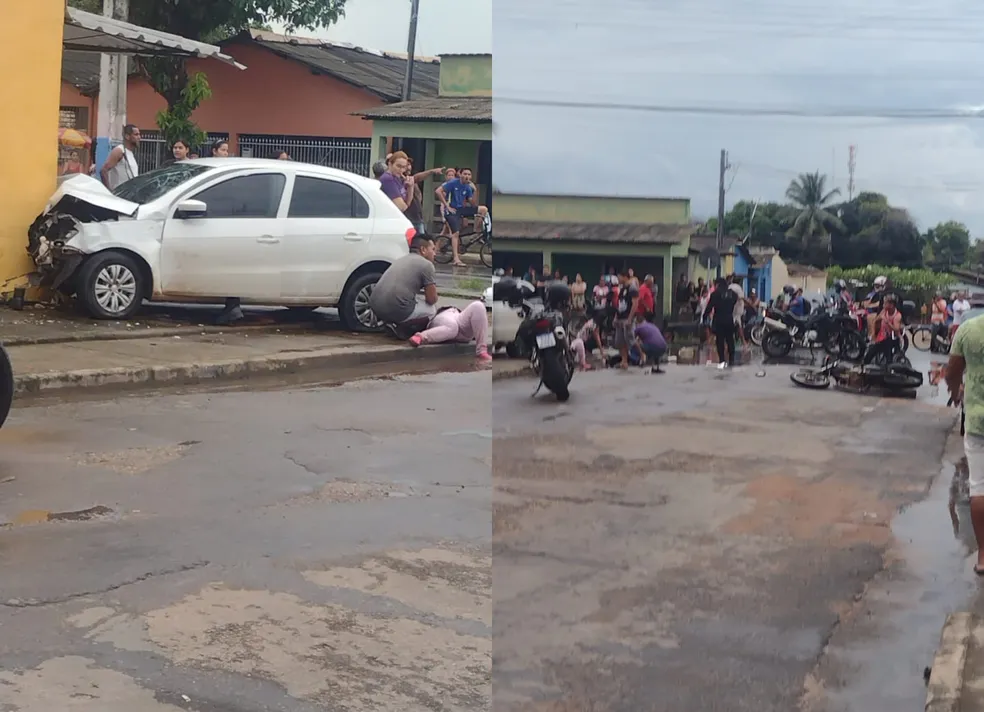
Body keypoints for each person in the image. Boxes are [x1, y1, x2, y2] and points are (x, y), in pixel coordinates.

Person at [945, 304, 984, 574]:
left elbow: (952, 372)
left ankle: (983, 556)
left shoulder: (968, 329)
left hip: (978, 421)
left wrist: (956, 391)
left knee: (979, 487)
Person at [369, 234, 439, 332]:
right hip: (397, 309)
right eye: (433, 249)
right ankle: (403, 330)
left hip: (375, 307)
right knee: (432, 310)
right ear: (423, 249)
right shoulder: (427, 265)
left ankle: (391, 323)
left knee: (413, 300)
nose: (434, 254)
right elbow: (431, 299)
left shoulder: (400, 259)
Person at [435, 167, 487, 267]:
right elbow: (438, 191)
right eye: (465, 174)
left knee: (483, 209)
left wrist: (474, 190)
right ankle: (455, 258)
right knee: (455, 233)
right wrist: (446, 206)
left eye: (469, 175)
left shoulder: (468, 187)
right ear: (460, 175)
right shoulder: (453, 183)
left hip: (461, 210)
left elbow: (473, 204)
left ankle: (477, 231)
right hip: (451, 210)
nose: (467, 176)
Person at [410, 302, 491, 363]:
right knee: (453, 327)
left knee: (478, 305)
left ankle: (482, 351)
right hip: (443, 318)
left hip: (458, 321)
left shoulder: (462, 318)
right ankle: (421, 336)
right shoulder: (444, 314)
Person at [705, 277, 740, 368]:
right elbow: (735, 301)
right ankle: (731, 359)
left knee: (720, 340)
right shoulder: (733, 294)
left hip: (719, 319)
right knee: (730, 340)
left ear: (717, 284)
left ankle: (722, 360)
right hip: (729, 319)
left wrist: (704, 316)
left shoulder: (715, 294)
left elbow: (709, 307)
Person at [863, 295, 903, 365]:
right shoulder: (884, 311)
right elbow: (875, 321)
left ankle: (889, 368)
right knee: (870, 353)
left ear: (891, 305)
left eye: (885, 303)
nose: (883, 305)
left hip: (891, 339)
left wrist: (887, 322)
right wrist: (873, 334)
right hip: (882, 337)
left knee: (888, 350)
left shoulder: (897, 316)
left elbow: (896, 329)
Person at [613, 270, 640, 369]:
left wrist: (630, 318)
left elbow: (635, 304)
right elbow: (619, 304)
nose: (618, 279)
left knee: (630, 339)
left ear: (625, 277)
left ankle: (642, 355)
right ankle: (624, 361)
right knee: (620, 341)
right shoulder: (622, 288)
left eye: (619, 277)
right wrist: (616, 317)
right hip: (620, 317)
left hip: (627, 318)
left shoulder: (632, 288)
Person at [100, 123, 140, 190]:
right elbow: (103, 170)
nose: (139, 137)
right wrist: (109, 192)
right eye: (136, 134)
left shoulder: (130, 153)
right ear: (127, 136)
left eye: (139, 134)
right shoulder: (119, 151)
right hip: (119, 196)